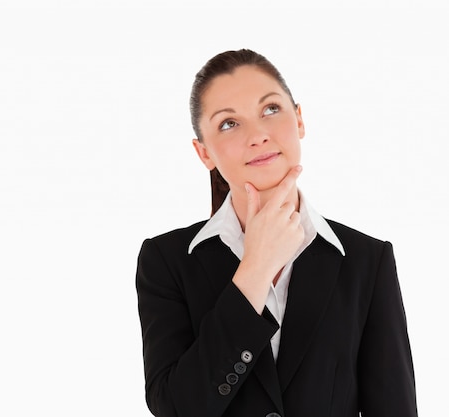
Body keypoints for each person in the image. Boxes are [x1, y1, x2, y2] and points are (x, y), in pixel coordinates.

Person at [135, 49, 417, 417]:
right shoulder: (167, 261)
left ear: (299, 120)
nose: (258, 135)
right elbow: (176, 408)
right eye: (229, 123)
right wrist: (255, 269)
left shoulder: (366, 260)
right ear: (203, 153)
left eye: (270, 109)